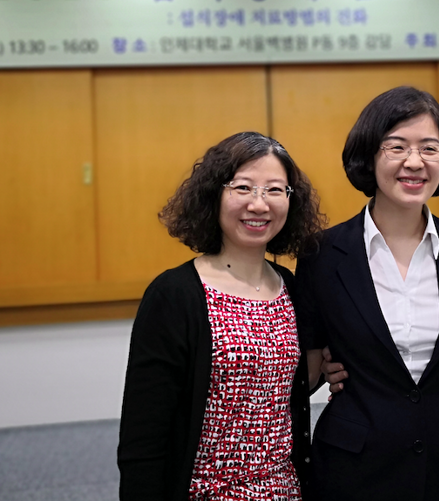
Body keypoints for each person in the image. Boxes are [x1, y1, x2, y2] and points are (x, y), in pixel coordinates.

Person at [293, 86, 439, 501]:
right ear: (369, 155)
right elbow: (305, 371)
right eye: (396, 147)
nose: (414, 162)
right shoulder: (322, 254)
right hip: (355, 467)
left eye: (430, 148)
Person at [117, 132, 326, 501]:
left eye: (275, 191)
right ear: (215, 194)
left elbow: (282, 387)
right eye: (243, 187)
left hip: (287, 491)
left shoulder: (291, 288)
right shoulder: (175, 294)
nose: (259, 204)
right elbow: (143, 437)